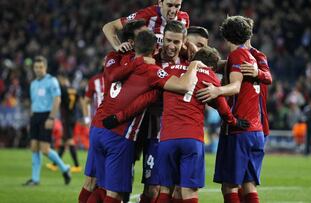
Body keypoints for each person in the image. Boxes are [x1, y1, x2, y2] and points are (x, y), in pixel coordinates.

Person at [91, 29, 199, 203]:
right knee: (113, 188)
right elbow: (181, 86)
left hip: (138, 130)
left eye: (176, 42)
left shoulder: (126, 58)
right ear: (159, 43)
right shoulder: (151, 65)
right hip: (128, 132)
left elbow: (137, 95)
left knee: (151, 188)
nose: (171, 46)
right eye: (168, 41)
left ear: (184, 43)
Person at [155, 47, 249, 203]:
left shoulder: (170, 69)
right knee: (189, 191)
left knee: (165, 189)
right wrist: (234, 121)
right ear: (211, 67)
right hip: (192, 139)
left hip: (167, 138)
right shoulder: (209, 75)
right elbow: (222, 106)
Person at [78, 19, 148, 203]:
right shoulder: (145, 64)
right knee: (114, 191)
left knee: (92, 182)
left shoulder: (114, 57)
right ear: (133, 42)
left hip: (99, 126)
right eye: (144, 34)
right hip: (119, 133)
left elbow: (110, 73)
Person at [198, 16, 264, 202]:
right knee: (248, 183)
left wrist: (216, 90)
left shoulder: (237, 56)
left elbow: (235, 87)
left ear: (226, 36)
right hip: (255, 130)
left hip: (239, 130)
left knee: (229, 185)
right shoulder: (249, 57)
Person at [23, 56, 71, 186]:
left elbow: (57, 100)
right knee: (34, 147)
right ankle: (35, 179)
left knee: (44, 149)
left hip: (46, 116)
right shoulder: (33, 84)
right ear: (34, 68)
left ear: (45, 67)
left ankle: (64, 168)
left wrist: (51, 117)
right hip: (35, 117)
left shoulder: (52, 81)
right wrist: (31, 120)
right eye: (36, 67)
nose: (38, 69)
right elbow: (34, 103)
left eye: (41, 67)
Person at [102, 0, 189, 51]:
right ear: (160, 3)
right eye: (169, 5)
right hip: (145, 68)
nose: (173, 10)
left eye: (177, 6)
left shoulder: (184, 19)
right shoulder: (146, 15)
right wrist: (117, 46)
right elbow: (109, 26)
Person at [46, 74, 81, 173]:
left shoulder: (62, 89)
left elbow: (58, 99)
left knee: (69, 140)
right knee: (63, 141)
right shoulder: (74, 89)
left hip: (66, 118)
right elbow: (79, 101)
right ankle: (54, 164)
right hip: (73, 117)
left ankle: (77, 165)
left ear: (62, 79)